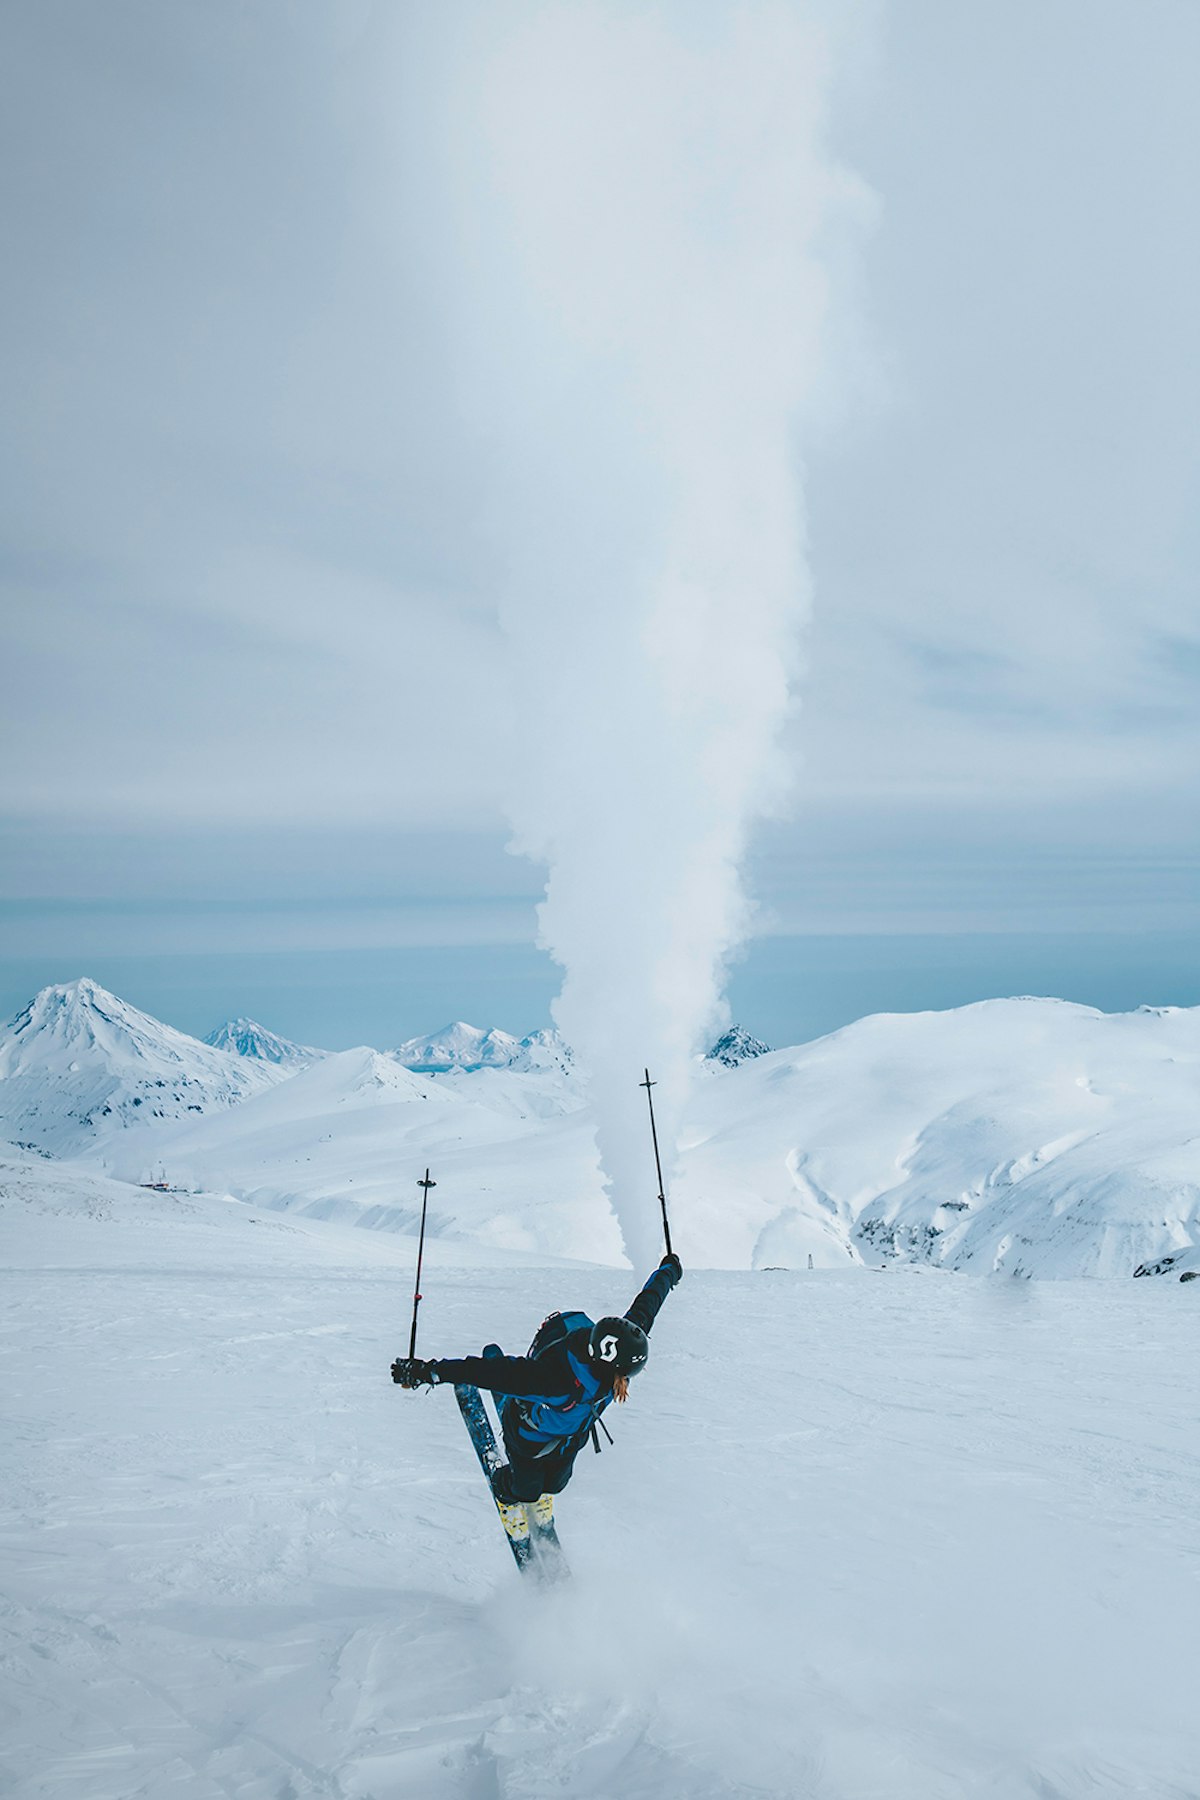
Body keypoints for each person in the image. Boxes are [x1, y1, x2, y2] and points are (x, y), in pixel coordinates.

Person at [391, 1253, 682, 1503]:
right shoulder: (554, 1381)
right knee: (525, 1491)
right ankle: (503, 1478)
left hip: (570, 1435)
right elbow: (486, 1373)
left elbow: (647, 1304)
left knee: (555, 1485)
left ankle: (537, 1472)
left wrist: (668, 1271)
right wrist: (426, 1371)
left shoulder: (615, 1348)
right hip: (529, 1434)